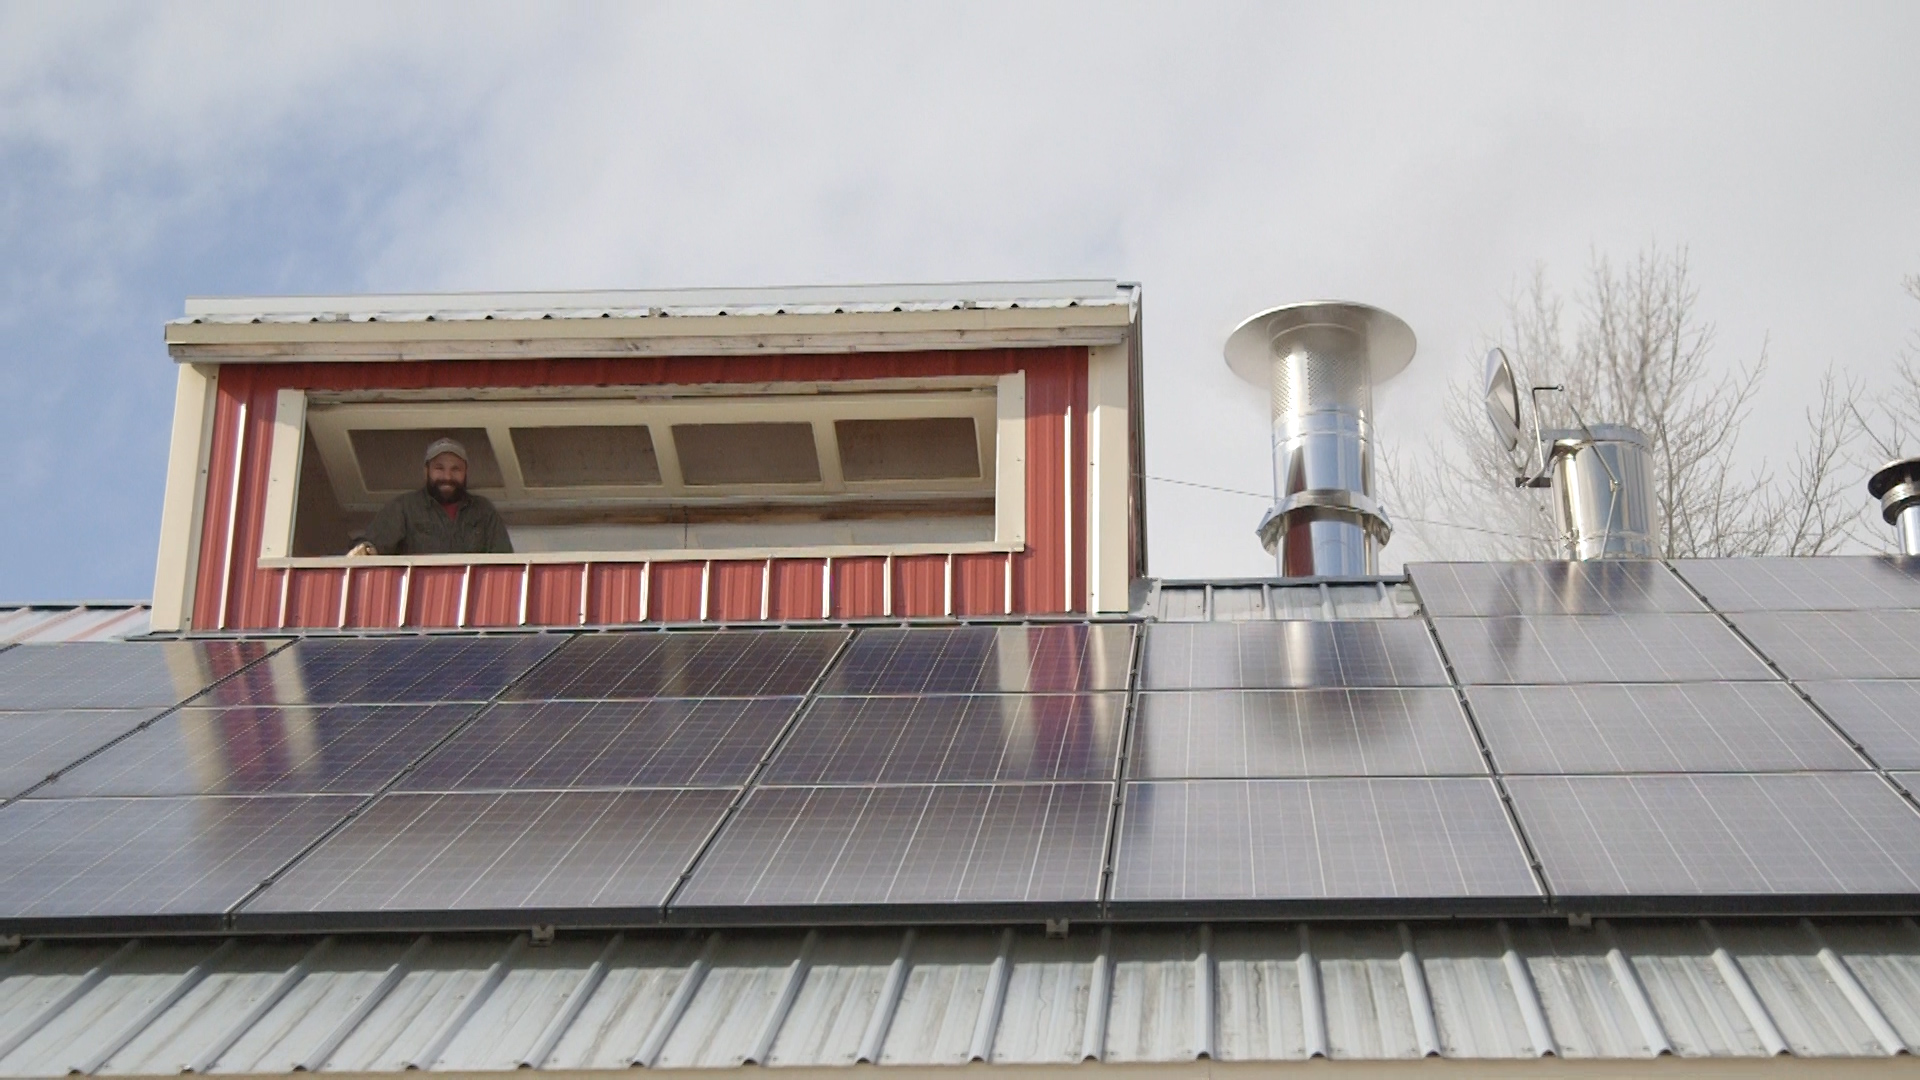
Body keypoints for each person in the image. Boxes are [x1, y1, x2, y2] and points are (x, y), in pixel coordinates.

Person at [347, 437, 513, 556]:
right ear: (426, 471)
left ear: (466, 472)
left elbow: (505, 560)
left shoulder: (483, 511)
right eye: (439, 468)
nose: (447, 476)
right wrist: (366, 550)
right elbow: (371, 546)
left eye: (456, 469)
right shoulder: (404, 508)